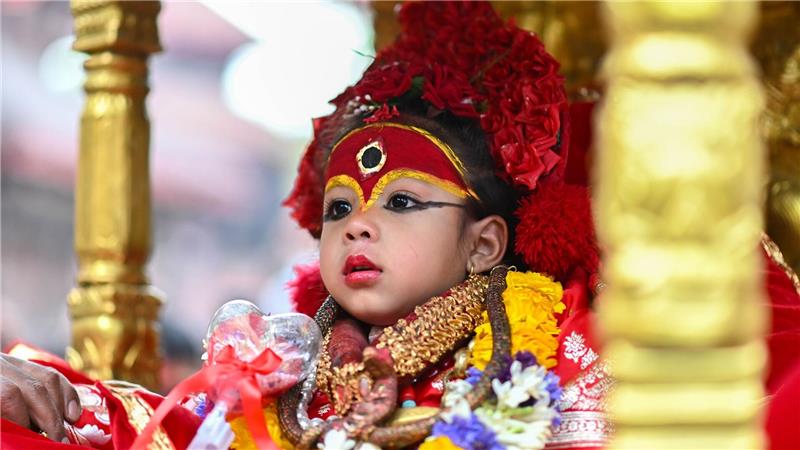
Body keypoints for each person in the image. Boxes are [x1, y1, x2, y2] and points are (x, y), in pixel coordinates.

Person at [2, 2, 800, 450]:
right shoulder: (283, 369)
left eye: (404, 202)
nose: (357, 227)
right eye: (340, 207)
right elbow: (161, 434)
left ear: (485, 242)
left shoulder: (564, 347)